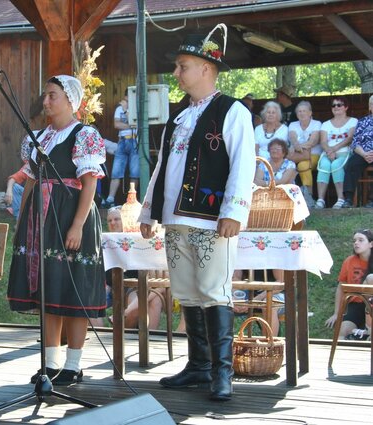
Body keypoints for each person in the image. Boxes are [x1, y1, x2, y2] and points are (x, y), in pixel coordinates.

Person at [139, 25, 255, 401]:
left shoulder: (232, 110)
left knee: (214, 290)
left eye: (182, 66)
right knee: (187, 291)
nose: (177, 74)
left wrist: (234, 210)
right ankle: (199, 365)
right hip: (176, 218)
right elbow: (162, 167)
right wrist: (149, 210)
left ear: (206, 67)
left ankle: (223, 373)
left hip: (210, 218)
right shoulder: (178, 117)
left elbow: (243, 163)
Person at [7, 75, 106, 386]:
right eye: (46, 96)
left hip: (71, 215)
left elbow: (89, 183)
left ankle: (73, 364)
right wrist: (22, 222)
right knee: (50, 290)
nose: (46, 102)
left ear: (70, 100)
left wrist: (77, 225)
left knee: (73, 291)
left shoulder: (84, 135)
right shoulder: (40, 138)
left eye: (52, 96)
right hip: (42, 218)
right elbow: (33, 179)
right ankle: (50, 363)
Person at [325, 229, 373, 340]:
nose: (356, 243)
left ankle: (367, 329)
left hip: (371, 305)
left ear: (371, 244)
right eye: (354, 240)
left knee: (371, 278)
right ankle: (341, 353)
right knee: (342, 331)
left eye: (361, 240)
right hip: (355, 304)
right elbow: (341, 287)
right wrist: (337, 313)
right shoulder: (349, 261)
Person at [314, 97, 358, 209]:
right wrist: (329, 151)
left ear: (346, 107)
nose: (336, 107)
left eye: (339, 105)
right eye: (333, 105)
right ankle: (320, 199)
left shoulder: (353, 121)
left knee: (336, 165)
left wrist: (333, 149)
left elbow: (349, 139)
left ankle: (340, 198)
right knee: (324, 166)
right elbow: (323, 141)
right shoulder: (326, 124)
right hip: (328, 153)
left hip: (345, 152)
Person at [103, 89, 138, 208]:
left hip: (135, 140)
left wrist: (126, 110)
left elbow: (136, 123)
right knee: (116, 171)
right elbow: (116, 125)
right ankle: (110, 199)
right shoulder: (119, 109)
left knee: (134, 172)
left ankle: (132, 199)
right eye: (127, 96)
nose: (127, 99)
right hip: (122, 141)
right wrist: (130, 124)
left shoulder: (136, 108)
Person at [287, 101, 322, 208]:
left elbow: (313, 142)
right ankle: (307, 197)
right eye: (299, 111)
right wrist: (298, 145)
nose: (302, 113)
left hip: (315, 155)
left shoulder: (317, 124)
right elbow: (292, 138)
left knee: (303, 165)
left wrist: (297, 146)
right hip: (300, 156)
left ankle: (309, 196)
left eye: (304, 111)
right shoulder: (293, 124)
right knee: (301, 165)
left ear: (310, 113)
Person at [342, 94, 373, 208]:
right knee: (351, 164)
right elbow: (355, 143)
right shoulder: (362, 122)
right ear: (370, 107)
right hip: (363, 153)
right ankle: (348, 199)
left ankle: (371, 200)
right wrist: (364, 154)